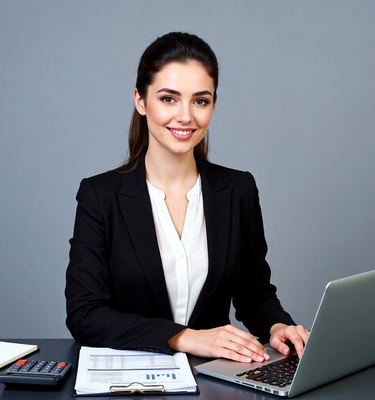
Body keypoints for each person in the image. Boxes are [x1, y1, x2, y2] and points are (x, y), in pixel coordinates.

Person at [65, 32, 308, 363]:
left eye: (200, 100)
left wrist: (277, 325)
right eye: (168, 98)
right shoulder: (100, 195)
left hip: (213, 379)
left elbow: (254, 294)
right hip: (128, 378)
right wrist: (184, 337)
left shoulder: (239, 190)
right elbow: (85, 314)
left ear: (212, 105)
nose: (185, 116)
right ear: (140, 100)